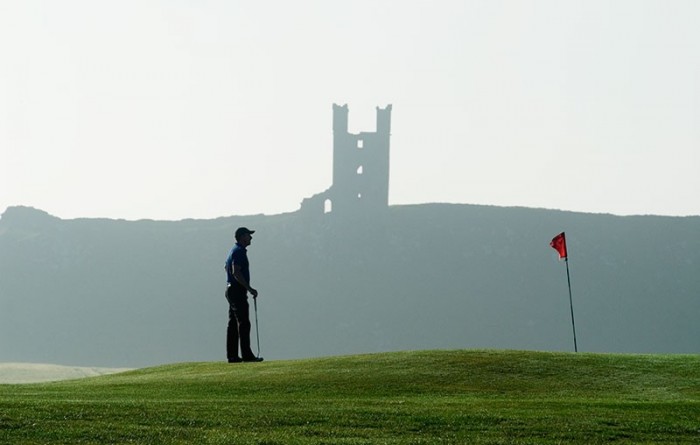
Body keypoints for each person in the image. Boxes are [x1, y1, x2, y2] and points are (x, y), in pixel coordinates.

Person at [224, 227, 263, 363]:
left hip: (231, 290)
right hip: (237, 290)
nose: (251, 238)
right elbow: (236, 271)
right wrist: (249, 288)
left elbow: (227, 268)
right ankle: (247, 355)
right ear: (242, 237)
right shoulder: (239, 251)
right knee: (243, 322)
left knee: (233, 323)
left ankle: (233, 355)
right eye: (248, 235)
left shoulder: (233, 251)